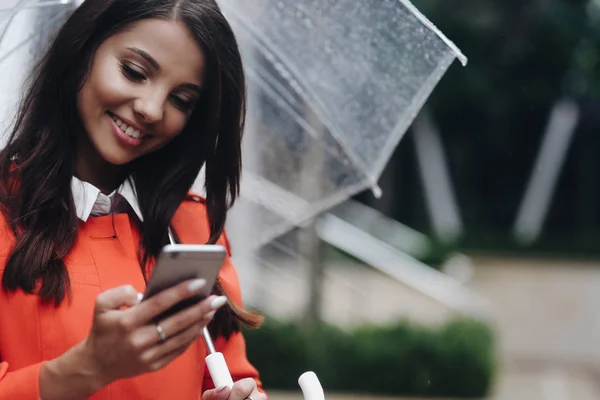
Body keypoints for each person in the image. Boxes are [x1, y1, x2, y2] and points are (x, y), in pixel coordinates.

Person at [0, 0, 267, 399]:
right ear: (82, 49)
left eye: (182, 100)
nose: (151, 109)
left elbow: (230, 374)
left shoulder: (193, 228)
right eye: (135, 72)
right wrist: (86, 368)